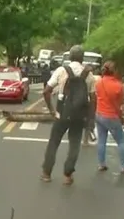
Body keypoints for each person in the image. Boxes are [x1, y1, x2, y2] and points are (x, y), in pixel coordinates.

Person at [40, 45, 96, 185]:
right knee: (74, 145)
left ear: (70, 57)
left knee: (54, 142)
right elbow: (93, 99)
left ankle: (47, 173)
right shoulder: (88, 75)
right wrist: (90, 118)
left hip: (62, 113)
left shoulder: (61, 70)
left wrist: (52, 110)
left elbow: (46, 91)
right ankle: (67, 175)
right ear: (82, 58)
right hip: (79, 115)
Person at [94, 61, 124, 174]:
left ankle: (101, 164)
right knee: (121, 141)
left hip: (99, 114)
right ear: (115, 71)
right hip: (111, 116)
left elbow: (96, 95)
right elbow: (122, 102)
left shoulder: (99, 83)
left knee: (101, 140)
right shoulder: (118, 85)